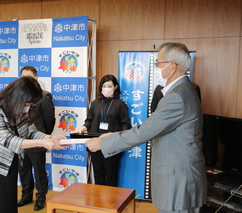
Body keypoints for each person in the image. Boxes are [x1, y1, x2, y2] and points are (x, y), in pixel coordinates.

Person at [85, 43, 207, 213]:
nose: (156, 67)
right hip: (181, 175)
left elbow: (145, 131)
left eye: (158, 63)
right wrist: (113, 135)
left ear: (172, 67)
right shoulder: (183, 90)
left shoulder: (177, 96)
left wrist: (102, 144)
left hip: (178, 179)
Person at [0, 76, 65, 213]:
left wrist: (51, 137)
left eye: (32, 104)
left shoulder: (20, 110)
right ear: (19, 97)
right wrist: (42, 142)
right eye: (29, 103)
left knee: (6, 204)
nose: (29, 106)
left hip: (9, 164)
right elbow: (6, 140)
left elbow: (31, 131)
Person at [77, 74, 131, 186]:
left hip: (112, 144)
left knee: (111, 174)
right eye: (104, 86)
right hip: (95, 143)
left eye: (109, 86)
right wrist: (82, 128)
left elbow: (125, 124)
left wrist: (121, 136)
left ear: (115, 87)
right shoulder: (95, 103)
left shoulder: (120, 104)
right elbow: (89, 119)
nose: (106, 88)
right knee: (98, 173)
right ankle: (99, 201)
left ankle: (111, 201)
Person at [17, 66, 56, 211]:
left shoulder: (44, 95)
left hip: (38, 140)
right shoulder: (18, 96)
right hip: (20, 141)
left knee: (39, 171)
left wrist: (44, 137)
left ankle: (41, 198)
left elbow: (49, 120)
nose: (25, 79)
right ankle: (26, 196)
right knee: (23, 170)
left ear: (36, 78)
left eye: (29, 76)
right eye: (23, 77)